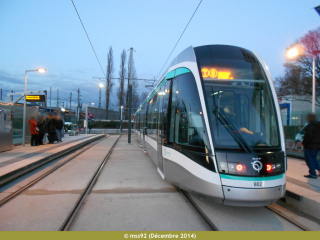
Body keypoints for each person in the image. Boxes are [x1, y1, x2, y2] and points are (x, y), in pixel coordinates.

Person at [302, 113, 320, 179]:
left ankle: (313, 173)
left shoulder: (310, 126)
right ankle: (313, 172)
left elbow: (308, 137)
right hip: (317, 147)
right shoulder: (318, 126)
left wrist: (304, 143)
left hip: (309, 146)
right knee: (314, 159)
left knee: (310, 160)